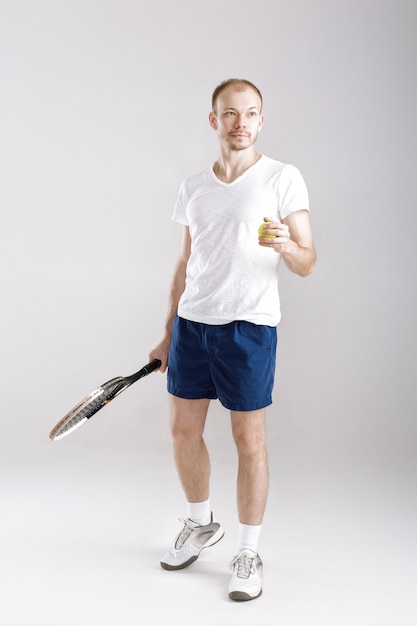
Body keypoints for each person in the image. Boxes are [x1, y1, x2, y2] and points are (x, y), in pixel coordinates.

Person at [149, 78, 315, 601]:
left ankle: (248, 551)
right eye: (229, 113)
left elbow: (308, 262)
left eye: (250, 113)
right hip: (194, 325)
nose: (240, 122)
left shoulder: (282, 178)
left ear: (261, 120)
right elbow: (185, 263)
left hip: (249, 327)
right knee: (182, 432)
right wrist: (166, 333)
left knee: (250, 441)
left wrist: (289, 246)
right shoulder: (193, 186)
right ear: (213, 120)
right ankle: (200, 524)